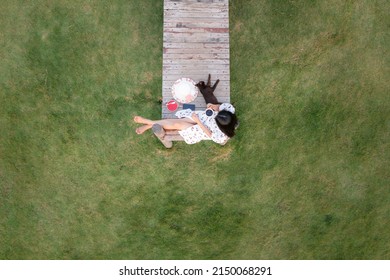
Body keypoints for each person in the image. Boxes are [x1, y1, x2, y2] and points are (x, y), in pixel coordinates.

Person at [134, 103, 238, 145]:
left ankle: (149, 123)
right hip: (204, 117)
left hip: (201, 129)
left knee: (177, 125)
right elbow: (218, 107)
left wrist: (198, 121)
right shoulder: (229, 109)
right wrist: (212, 106)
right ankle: (149, 124)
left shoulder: (221, 136)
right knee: (178, 122)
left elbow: (208, 133)